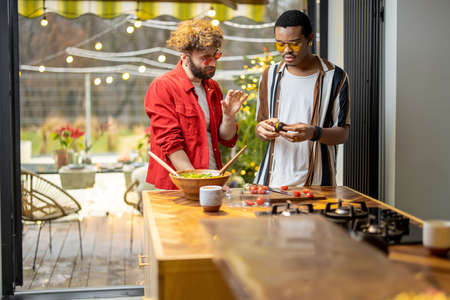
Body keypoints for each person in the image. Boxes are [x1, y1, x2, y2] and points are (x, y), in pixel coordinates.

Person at [145, 18, 247, 189]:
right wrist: (198, 184)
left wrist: (228, 117)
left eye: (216, 56)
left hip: (210, 180)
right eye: (206, 58)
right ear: (185, 56)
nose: (213, 63)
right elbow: (171, 146)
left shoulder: (212, 87)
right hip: (178, 188)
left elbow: (226, 139)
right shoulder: (163, 86)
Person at [254, 10, 350, 187]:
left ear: (310, 38)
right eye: (280, 44)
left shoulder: (335, 77)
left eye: (295, 43)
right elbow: (260, 126)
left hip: (318, 185)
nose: (287, 51)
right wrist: (261, 130)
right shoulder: (269, 76)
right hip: (271, 183)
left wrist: (313, 133)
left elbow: (342, 134)